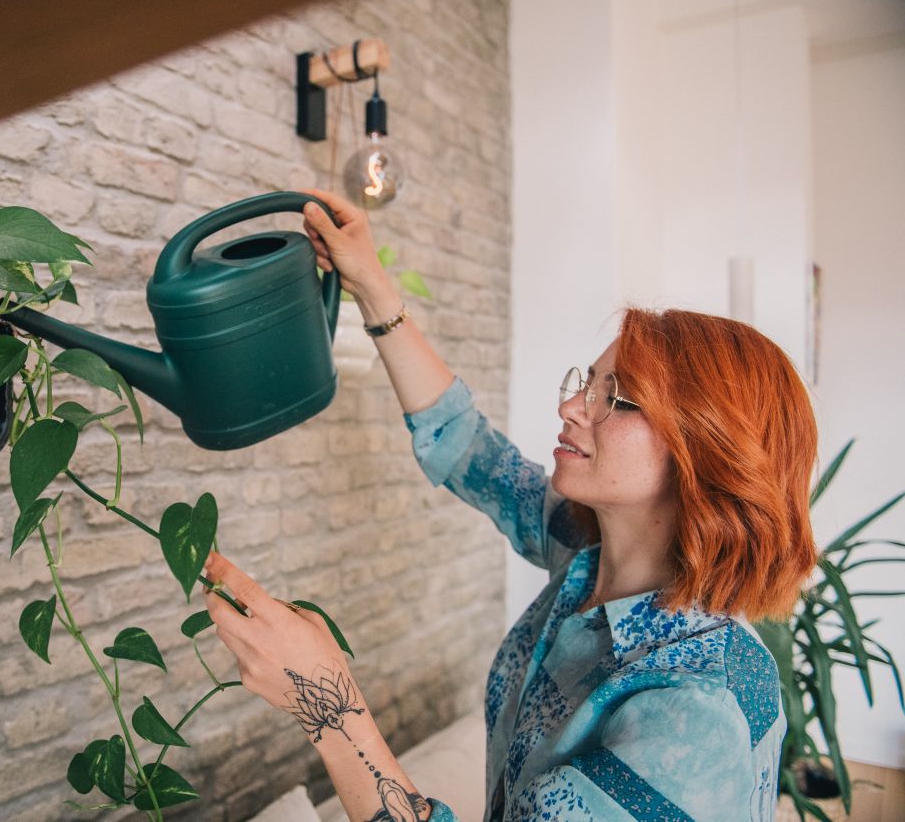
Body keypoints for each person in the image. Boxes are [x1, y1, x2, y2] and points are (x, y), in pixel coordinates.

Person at [202, 188, 817, 821]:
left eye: (616, 396)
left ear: (707, 450)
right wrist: (372, 287)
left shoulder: (695, 708)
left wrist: (325, 702)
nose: (571, 407)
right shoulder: (589, 556)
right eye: (587, 384)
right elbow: (468, 446)